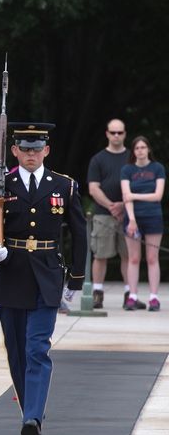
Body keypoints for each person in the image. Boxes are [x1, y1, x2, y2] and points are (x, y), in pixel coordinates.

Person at [0, 122, 87, 435]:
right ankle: (32, 415)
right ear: (14, 151)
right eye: (24, 149)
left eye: (36, 149)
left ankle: (32, 421)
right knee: (16, 352)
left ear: (46, 150)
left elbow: (79, 234)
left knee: (36, 350)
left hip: (46, 275)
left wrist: (76, 278)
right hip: (11, 274)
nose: (31, 154)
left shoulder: (63, 186)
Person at [88, 119, 131, 309]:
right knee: (100, 255)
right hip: (103, 214)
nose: (116, 136)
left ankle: (131, 292)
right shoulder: (98, 159)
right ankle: (97, 292)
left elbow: (137, 185)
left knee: (129, 256)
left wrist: (124, 205)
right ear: (107, 133)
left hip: (129, 214)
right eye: (113, 132)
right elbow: (93, 188)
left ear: (125, 134)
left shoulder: (132, 157)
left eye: (119, 133)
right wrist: (112, 206)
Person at [121, 136, 165, 312]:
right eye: (137, 148)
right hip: (133, 218)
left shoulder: (158, 168)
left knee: (152, 258)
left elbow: (157, 195)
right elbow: (126, 196)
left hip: (153, 216)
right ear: (133, 151)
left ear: (148, 149)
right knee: (133, 258)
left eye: (143, 147)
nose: (140, 150)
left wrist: (135, 195)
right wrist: (132, 219)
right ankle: (132, 296)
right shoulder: (127, 170)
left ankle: (153, 298)